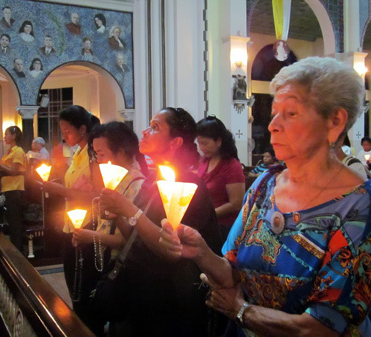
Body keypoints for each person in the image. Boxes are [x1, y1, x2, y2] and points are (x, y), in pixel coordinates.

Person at [159, 57, 371, 337]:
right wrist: (201, 252)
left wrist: (241, 311)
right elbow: (232, 272)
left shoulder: (358, 208)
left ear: (335, 121)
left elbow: (322, 328)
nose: (272, 125)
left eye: (291, 113)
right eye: (274, 113)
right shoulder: (265, 184)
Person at [99, 107, 222, 337]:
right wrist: (117, 213)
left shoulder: (188, 186)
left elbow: (172, 249)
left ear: (175, 143)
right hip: (140, 290)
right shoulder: (151, 182)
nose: (145, 132)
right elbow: (133, 237)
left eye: (155, 127)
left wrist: (129, 209)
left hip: (170, 298)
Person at [71, 121, 147, 336]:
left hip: (121, 266)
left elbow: (131, 241)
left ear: (121, 152)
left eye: (101, 154)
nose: (98, 161)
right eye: (95, 155)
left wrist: (90, 236)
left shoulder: (138, 186)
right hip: (104, 259)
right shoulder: (117, 181)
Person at [40, 105, 101, 311]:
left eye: (67, 131)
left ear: (82, 130)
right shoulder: (78, 153)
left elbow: (97, 196)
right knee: (74, 284)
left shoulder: (94, 156)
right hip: (72, 224)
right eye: (62, 131)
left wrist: (58, 189)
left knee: (82, 288)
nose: (64, 136)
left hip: (86, 226)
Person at [196, 116, 245, 234]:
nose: (202, 148)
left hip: (223, 228)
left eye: (205, 143)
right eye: (199, 143)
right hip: (205, 224)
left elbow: (236, 204)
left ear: (218, 141)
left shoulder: (232, 166)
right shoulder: (204, 161)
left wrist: (209, 215)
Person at [0, 126, 26, 252]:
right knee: (10, 219)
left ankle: (18, 249)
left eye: (6, 134)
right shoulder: (9, 152)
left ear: (14, 136)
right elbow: (4, 169)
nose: (4, 137)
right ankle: (14, 246)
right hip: (8, 188)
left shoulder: (18, 151)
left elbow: (14, 171)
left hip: (15, 188)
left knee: (15, 221)